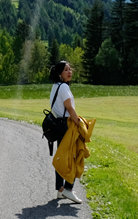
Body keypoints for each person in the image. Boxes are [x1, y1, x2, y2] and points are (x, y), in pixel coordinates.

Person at [49, 60, 82, 203]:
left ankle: (60, 190)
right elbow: (70, 108)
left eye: (70, 69)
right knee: (73, 157)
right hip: (66, 125)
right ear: (59, 73)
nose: (69, 72)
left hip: (58, 125)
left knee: (62, 157)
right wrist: (79, 123)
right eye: (66, 70)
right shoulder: (63, 88)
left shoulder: (56, 86)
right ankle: (68, 189)